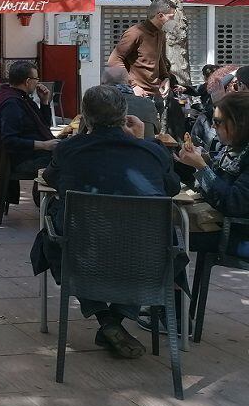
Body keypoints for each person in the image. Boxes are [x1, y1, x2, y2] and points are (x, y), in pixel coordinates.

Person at [34, 85, 180, 360]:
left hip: (83, 254)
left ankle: (106, 319)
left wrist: (79, 139)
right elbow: (171, 187)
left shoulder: (69, 150)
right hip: (146, 259)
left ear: (85, 117)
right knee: (160, 247)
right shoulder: (153, 152)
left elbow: (51, 180)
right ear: (124, 114)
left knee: (52, 239)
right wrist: (141, 140)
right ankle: (117, 318)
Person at [177, 91, 249, 255]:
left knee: (166, 235)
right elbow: (214, 185)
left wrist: (202, 167)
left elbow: (233, 203)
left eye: (217, 122)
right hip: (222, 224)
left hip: (236, 233)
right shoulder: (235, 147)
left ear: (240, 124)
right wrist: (195, 162)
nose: (212, 126)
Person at [107, 0, 176, 116]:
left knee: (153, 133)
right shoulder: (135, 33)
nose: (174, 20)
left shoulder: (160, 33)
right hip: (136, 95)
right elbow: (114, 61)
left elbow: (159, 58)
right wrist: (133, 86)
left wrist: (165, 78)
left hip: (155, 94)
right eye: (171, 17)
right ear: (160, 16)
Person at [0, 60, 59, 176]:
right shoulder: (12, 103)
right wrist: (44, 145)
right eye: (36, 79)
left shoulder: (22, 98)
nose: (37, 83)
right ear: (28, 81)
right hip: (22, 160)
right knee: (67, 161)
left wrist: (44, 102)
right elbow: (9, 140)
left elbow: (44, 125)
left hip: (34, 154)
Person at [97, 65, 160, 140]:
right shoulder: (148, 103)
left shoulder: (96, 103)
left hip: (104, 149)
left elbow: (82, 131)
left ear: (103, 84)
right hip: (143, 149)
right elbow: (157, 130)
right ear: (129, 83)